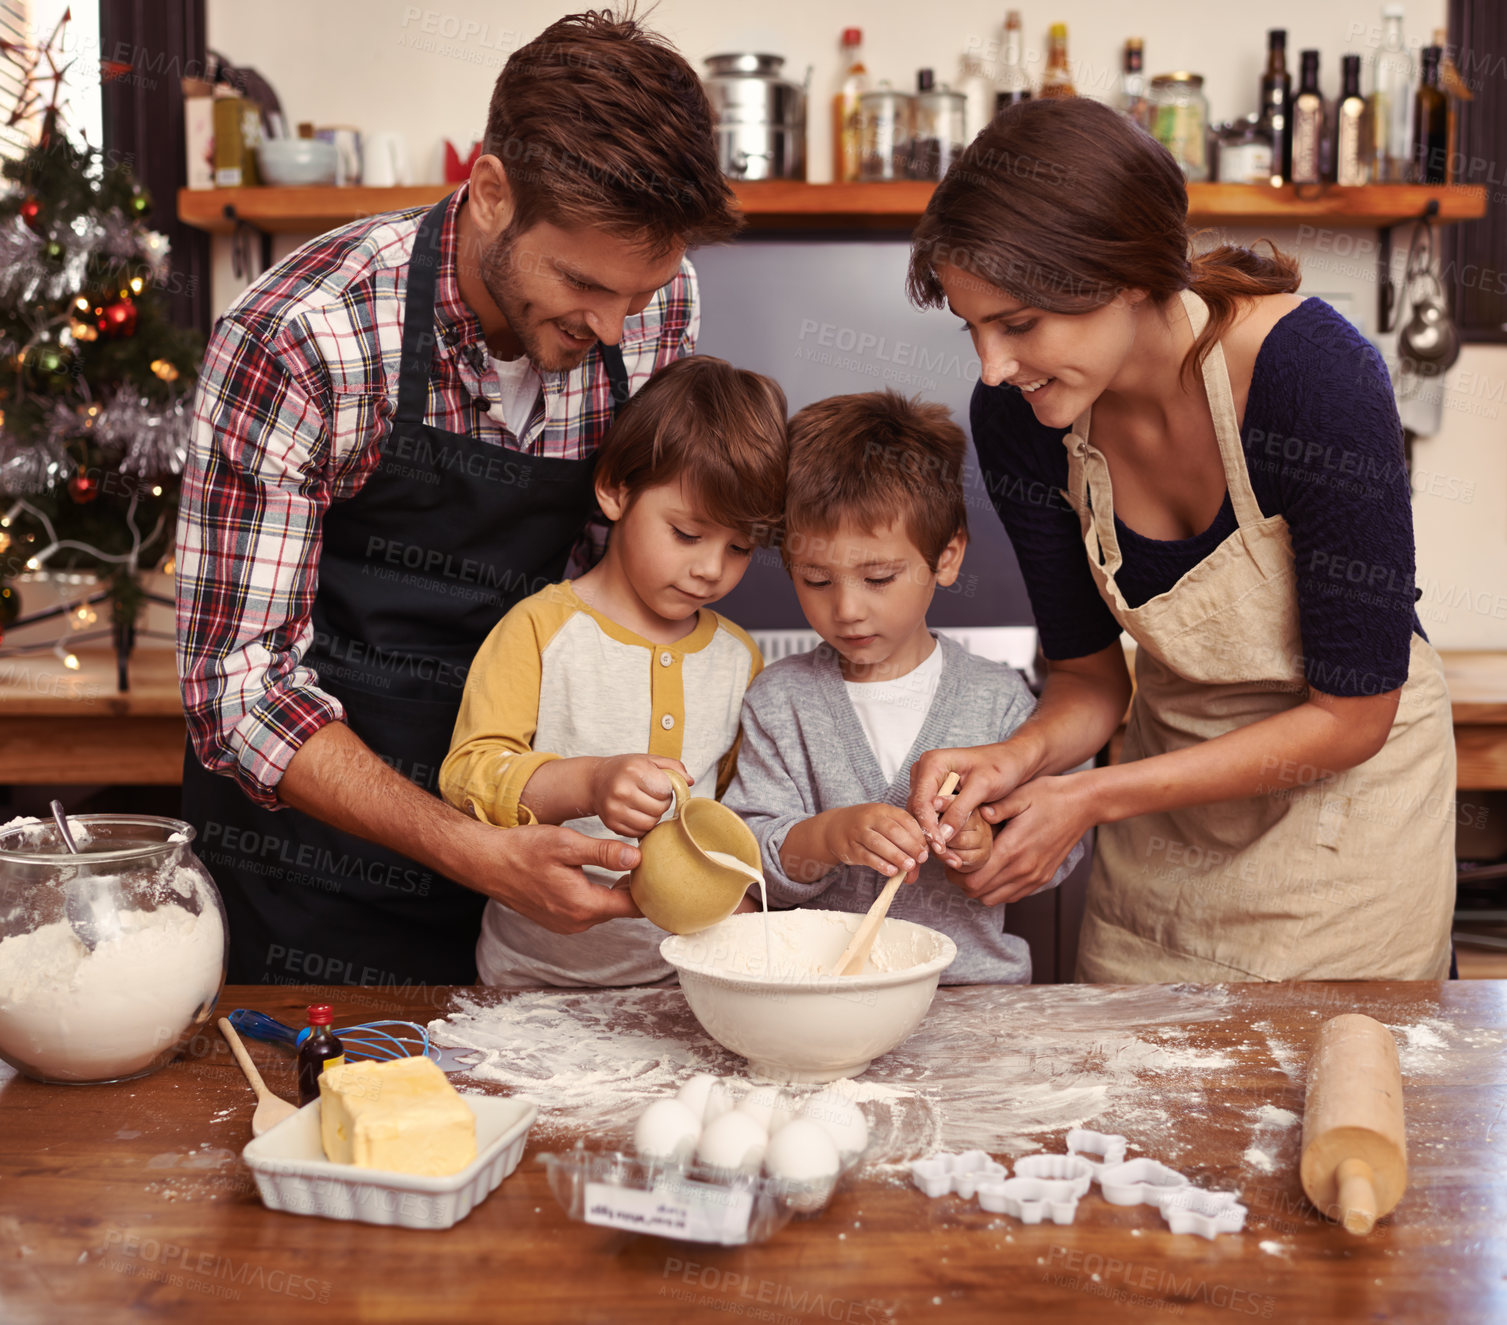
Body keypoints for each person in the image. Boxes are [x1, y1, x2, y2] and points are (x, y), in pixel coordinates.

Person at [176, 11, 741, 985]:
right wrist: (474, 848)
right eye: (581, 284)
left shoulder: (656, 302)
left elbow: (614, 578)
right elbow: (238, 694)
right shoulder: (303, 340)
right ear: (489, 192)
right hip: (316, 879)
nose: (614, 330)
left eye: (637, 298)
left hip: (541, 874)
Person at [903, 97, 1455, 982]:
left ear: (1123, 275)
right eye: (972, 328)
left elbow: (1353, 718)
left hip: (1346, 814)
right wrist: (1017, 760)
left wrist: (1090, 795)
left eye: (1017, 324)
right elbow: (1089, 681)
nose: (991, 367)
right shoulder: (1018, 419)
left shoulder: (1312, 378)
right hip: (1165, 809)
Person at [439, 355, 787, 987]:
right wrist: (589, 782)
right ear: (616, 491)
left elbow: (741, 809)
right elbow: (468, 775)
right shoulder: (541, 629)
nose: (713, 568)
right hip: (532, 984)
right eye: (687, 534)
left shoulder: (740, 658)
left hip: (684, 982)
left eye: (740, 547)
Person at [725, 391, 1082, 983]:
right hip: (824, 1003)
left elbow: (1060, 845)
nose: (847, 610)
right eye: (815, 580)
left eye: (878, 577)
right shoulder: (779, 702)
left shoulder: (1000, 700)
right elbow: (746, 860)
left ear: (946, 558)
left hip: (972, 1002)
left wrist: (988, 846)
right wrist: (828, 836)